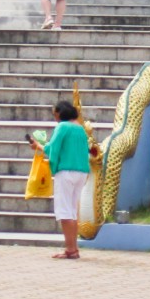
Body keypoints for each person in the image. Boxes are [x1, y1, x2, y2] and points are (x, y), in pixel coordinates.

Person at [44, 99, 91, 260]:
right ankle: (74, 248)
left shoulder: (62, 127)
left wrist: (41, 149)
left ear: (60, 113)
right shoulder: (80, 128)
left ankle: (70, 248)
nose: (55, 117)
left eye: (55, 114)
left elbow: (53, 148)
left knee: (64, 211)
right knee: (72, 211)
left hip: (66, 172)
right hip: (81, 172)